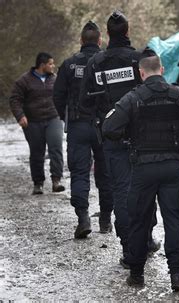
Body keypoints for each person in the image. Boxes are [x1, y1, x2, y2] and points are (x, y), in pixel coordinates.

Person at [102, 54, 179, 290]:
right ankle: (177, 276)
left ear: (141, 73)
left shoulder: (133, 98)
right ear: (162, 69)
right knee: (174, 221)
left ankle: (136, 274)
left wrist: (129, 138)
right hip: (173, 166)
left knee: (139, 221)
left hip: (143, 167)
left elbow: (109, 127)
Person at [79, 10, 159, 267]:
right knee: (146, 190)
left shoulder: (96, 63)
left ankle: (129, 248)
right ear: (127, 32)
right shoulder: (140, 60)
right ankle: (145, 240)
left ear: (107, 34)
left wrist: (101, 120)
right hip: (143, 137)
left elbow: (84, 102)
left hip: (112, 138)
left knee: (122, 193)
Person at [53, 21, 114, 239]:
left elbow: (58, 97)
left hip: (78, 125)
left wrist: (66, 117)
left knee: (79, 172)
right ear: (100, 40)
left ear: (81, 40)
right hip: (105, 126)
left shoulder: (69, 65)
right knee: (106, 174)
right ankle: (106, 219)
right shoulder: (108, 63)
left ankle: (83, 218)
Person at [9, 52, 65, 195]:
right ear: (42, 65)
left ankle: (56, 181)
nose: (53, 66)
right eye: (50, 64)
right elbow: (14, 100)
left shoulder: (55, 79)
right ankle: (38, 183)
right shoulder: (24, 81)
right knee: (37, 152)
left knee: (56, 148)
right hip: (33, 121)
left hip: (54, 118)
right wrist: (20, 116)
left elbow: (63, 95)